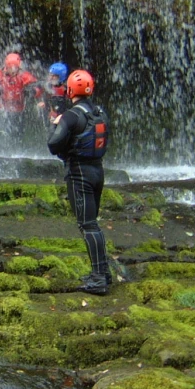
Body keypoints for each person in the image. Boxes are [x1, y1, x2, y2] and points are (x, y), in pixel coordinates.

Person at [47, 69, 111, 295]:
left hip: (79, 174)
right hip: (97, 171)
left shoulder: (72, 115)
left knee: (88, 225)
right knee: (93, 223)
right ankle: (104, 272)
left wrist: (55, 123)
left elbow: (53, 145)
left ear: (70, 90)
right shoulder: (99, 112)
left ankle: (98, 278)